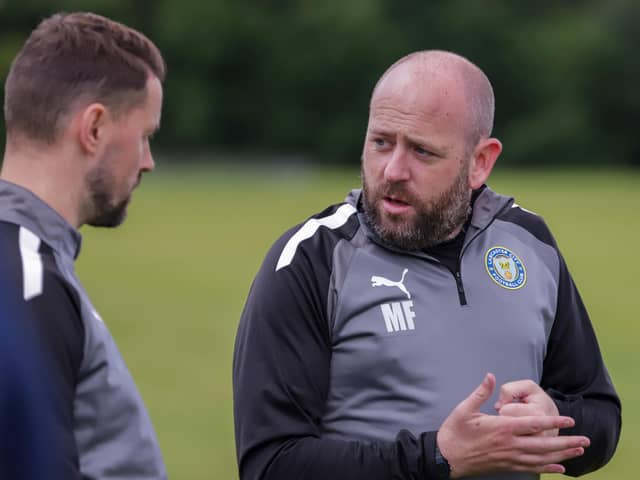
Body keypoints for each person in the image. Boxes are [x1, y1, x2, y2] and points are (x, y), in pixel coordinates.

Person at [233, 50, 621, 479]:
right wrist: (438, 457)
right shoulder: (311, 260)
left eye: (421, 151)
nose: (393, 170)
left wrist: (553, 419)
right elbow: (270, 465)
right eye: (381, 142)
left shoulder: (529, 243)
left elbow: (600, 414)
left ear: (480, 163)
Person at [0, 12, 166, 479]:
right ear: (94, 128)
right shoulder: (28, 282)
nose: (148, 162)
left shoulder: (30, 265)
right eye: (145, 136)